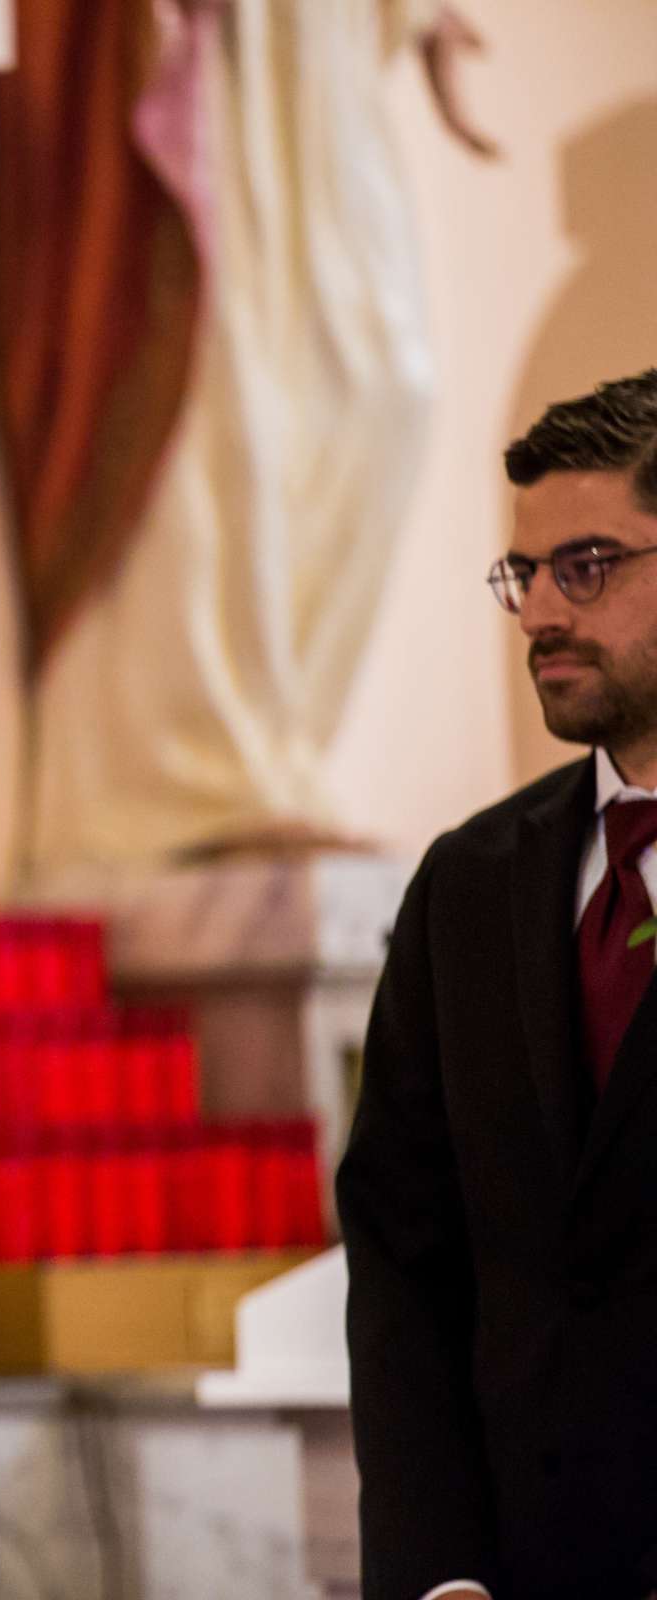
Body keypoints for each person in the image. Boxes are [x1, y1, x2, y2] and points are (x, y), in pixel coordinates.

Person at [341, 370, 657, 1599]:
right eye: (522, 575)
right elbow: (404, 1253)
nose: (536, 613)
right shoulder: (469, 885)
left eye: (585, 566)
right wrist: (439, 1573)